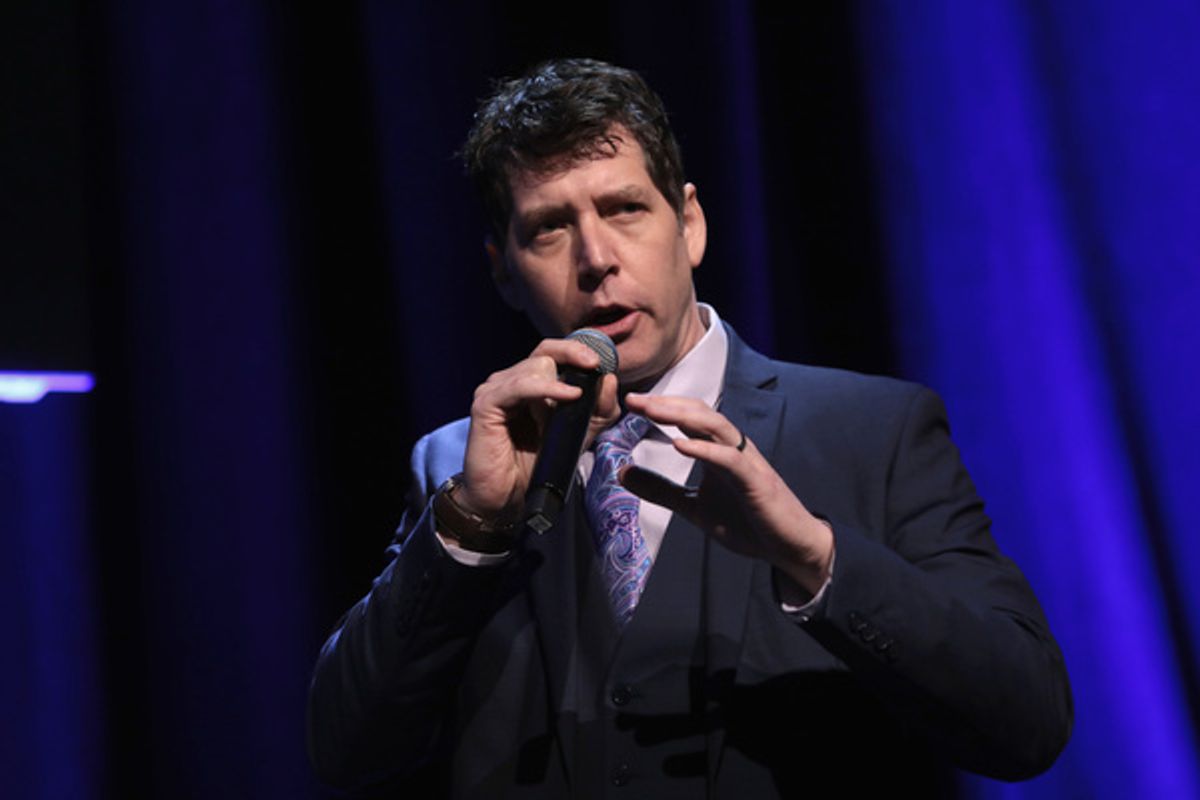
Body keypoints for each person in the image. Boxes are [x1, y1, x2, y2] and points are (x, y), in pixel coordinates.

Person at [307, 58, 1072, 797]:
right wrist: (470, 530)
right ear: (503, 270)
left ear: (690, 223)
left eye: (624, 209)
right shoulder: (456, 465)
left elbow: (1026, 721)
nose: (596, 259)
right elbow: (346, 750)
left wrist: (813, 553)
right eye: (548, 229)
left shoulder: (872, 430)